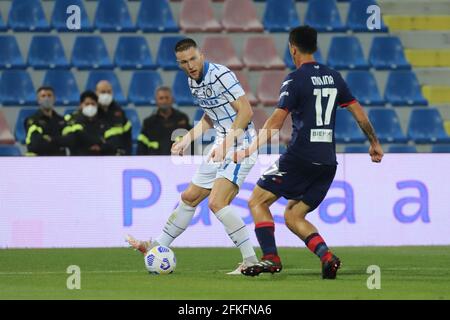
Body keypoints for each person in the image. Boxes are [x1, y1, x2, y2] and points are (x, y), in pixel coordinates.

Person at [233, 26, 384, 279]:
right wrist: (374, 143)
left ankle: (271, 258)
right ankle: (327, 257)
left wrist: (249, 149)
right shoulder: (334, 77)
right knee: (293, 214)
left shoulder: (295, 79)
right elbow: (359, 113)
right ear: (314, 47)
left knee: (257, 201)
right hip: (327, 162)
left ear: (292, 48)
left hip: (300, 156)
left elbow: (275, 123)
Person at [127, 38, 259, 274]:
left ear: (202, 55)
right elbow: (210, 117)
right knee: (189, 197)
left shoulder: (221, 75)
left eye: (193, 59)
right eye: (183, 62)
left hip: (241, 143)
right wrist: (187, 139)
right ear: (179, 64)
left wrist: (227, 143)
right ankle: (157, 246)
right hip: (222, 141)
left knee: (217, 202)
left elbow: (246, 112)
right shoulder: (193, 81)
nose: (190, 65)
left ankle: (250, 261)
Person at [61, 91, 125, 156]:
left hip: (100, 159)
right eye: (87, 104)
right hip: (78, 158)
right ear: (81, 105)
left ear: (97, 105)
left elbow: (113, 141)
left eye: (93, 104)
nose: (90, 106)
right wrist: (99, 141)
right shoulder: (71, 119)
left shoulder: (103, 121)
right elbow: (70, 139)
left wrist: (100, 147)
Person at [137, 86, 192, 155]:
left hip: (178, 162)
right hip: (154, 163)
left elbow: (191, 143)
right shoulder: (148, 122)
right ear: (156, 100)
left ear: (172, 99)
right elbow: (141, 148)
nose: (164, 101)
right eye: (161, 98)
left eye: (167, 98)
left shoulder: (182, 119)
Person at [24, 86, 66, 156]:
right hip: (40, 160)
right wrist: (58, 142)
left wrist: (51, 139)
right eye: (43, 96)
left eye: (49, 96)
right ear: (38, 100)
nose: (47, 98)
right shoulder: (32, 120)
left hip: (59, 160)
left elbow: (68, 141)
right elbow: (36, 144)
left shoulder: (61, 120)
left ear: (54, 99)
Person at [95, 80, 132, 155]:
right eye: (103, 92)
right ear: (96, 93)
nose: (106, 95)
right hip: (96, 157)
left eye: (109, 92)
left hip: (117, 157)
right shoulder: (92, 112)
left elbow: (127, 137)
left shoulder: (119, 112)